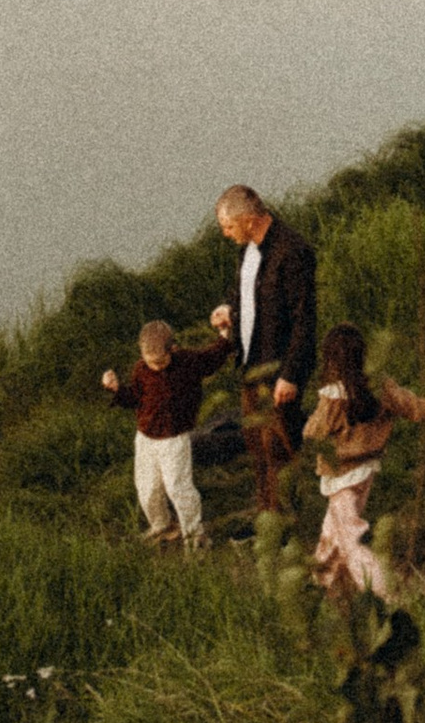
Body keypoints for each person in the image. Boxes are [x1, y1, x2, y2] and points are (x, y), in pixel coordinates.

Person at [302, 321, 425, 598]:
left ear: (330, 361)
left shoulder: (333, 399)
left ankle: (382, 592)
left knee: (351, 538)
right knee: (332, 530)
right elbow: (414, 407)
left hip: (341, 477)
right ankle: (320, 584)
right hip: (365, 472)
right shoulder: (380, 387)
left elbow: (311, 432)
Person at [206, 184, 318, 514]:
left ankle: (285, 521)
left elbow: (304, 321)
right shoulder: (248, 248)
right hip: (250, 364)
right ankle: (267, 512)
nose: (226, 234)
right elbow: (245, 291)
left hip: (279, 369)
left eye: (228, 226)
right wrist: (230, 309)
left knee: (279, 447)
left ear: (249, 220)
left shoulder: (292, 252)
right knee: (256, 443)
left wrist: (291, 375)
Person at [100, 316, 232, 546]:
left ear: (173, 349)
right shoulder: (140, 370)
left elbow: (213, 357)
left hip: (174, 438)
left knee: (177, 487)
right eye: (150, 362)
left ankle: (194, 534)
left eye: (161, 362)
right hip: (146, 437)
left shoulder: (188, 361)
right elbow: (135, 398)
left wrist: (224, 334)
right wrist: (117, 389)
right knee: (146, 487)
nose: (156, 367)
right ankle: (161, 524)